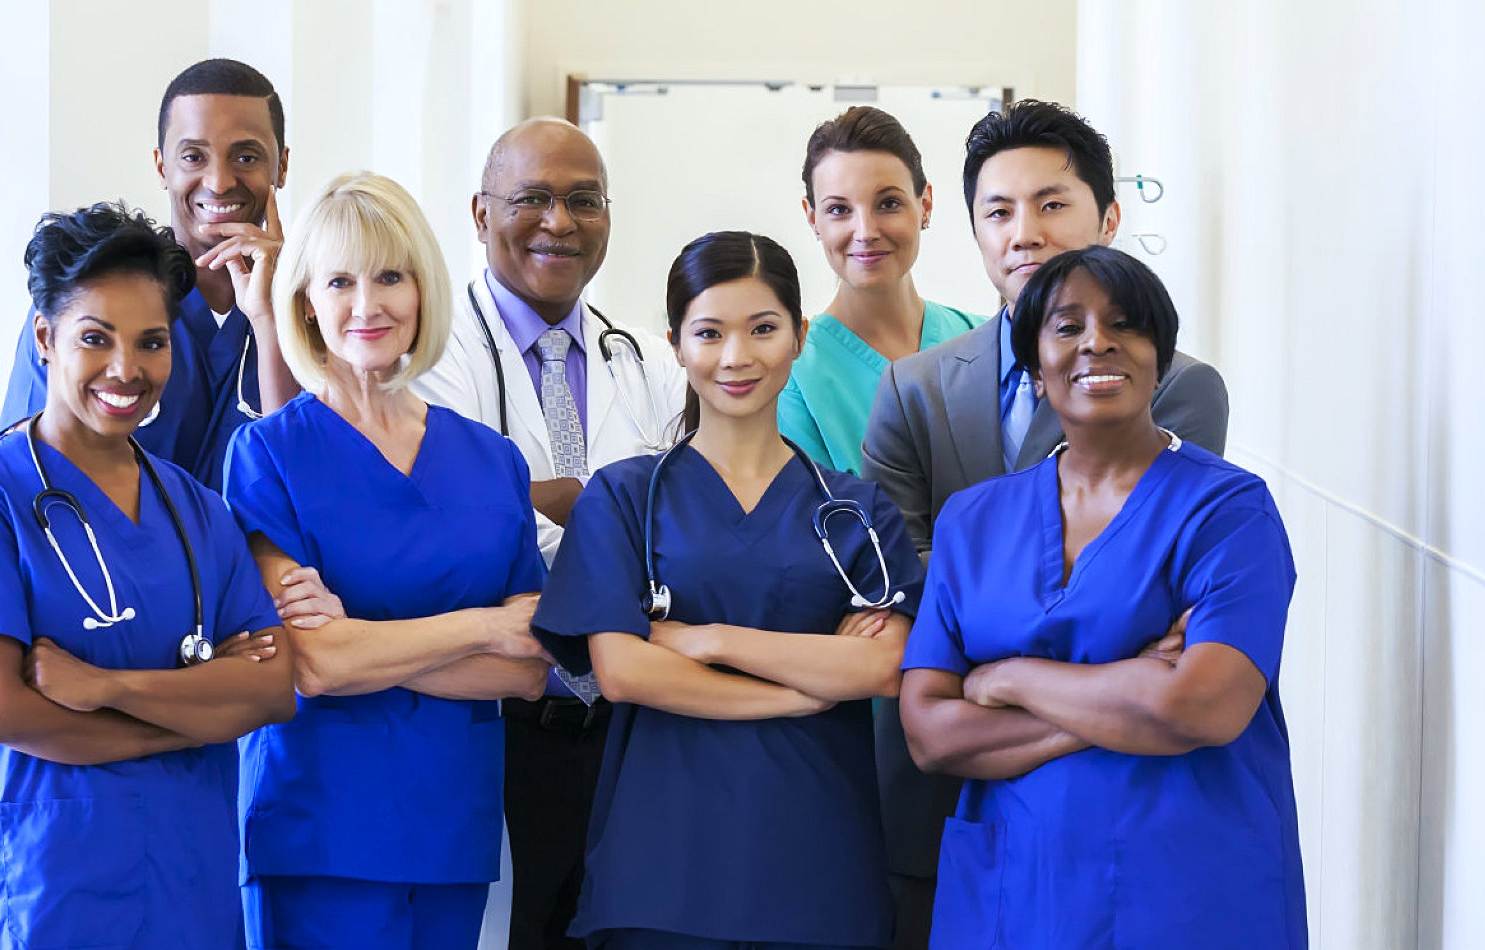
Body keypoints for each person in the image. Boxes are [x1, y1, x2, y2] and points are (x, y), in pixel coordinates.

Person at [858, 100, 1231, 949]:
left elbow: (1135, 585)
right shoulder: (913, 387)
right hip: (940, 778)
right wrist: (1046, 662)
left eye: (1051, 203)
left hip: (1111, 785)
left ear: (1106, 217)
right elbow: (897, 570)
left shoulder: (1173, 385)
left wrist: (994, 667)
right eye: (998, 211)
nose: (1023, 232)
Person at [0, 202, 299, 950]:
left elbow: (267, 687)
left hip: (187, 894)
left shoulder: (196, 509)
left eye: (152, 343)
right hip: (37, 895)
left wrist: (105, 690)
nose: (127, 370)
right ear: (44, 338)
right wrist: (186, 715)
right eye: (96, 338)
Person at [897, 245, 1305, 949]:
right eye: (1066, 326)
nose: (1095, 341)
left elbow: (1202, 706)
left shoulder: (1228, 511)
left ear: (1159, 357)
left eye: (1125, 324)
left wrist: (1008, 678)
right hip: (1018, 894)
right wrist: (1133, 695)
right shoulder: (972, 519)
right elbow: (929, 732)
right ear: (1032, 361)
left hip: (1186, 891)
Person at [531, 231, 926, 950]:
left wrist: (707, 640)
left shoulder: (854, 512)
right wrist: (803, 687)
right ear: (676, 344)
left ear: (800, 337)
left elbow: (880, 665)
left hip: (817, 867)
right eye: (708, 332)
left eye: (763, 329)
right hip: (662, 872)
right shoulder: (623, 497)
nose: (736, 357)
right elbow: (621, 672)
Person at [221, 171, 552, 950]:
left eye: (389, 277)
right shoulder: (268, 456)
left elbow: (529, 665)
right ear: (303, 299)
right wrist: (479, 625)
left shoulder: (489, 460)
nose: (366, 305)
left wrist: (363, 641)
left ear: (422, 291)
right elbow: (309, 664)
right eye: (338, 280)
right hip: (319, 832)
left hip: (451, 828)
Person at [410, 115, 685, 950]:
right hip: (501, 735)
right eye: (532, 197)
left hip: (630, 736)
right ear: (479, 212)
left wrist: (542, 498)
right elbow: (455, 523)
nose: (558, 221)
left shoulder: (645, 355)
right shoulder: (428, 351)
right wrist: (612, 508)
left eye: (583, 200)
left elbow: (685, 519)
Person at [0, 58, 300, 488]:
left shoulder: (321, 309)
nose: (218, 181)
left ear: (282, 166)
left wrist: (274, 313)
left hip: (262, 557)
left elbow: (306, 483)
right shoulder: (84, 301)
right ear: (162, 167)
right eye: (193, 156)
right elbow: (27, 476)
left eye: (246, 156)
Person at [779, 106, 985, 475]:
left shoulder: (986, 341)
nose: (866, 231)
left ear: (925, 205)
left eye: (888, 204)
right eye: (839, 210)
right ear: (813, 219)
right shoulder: (792, 377)